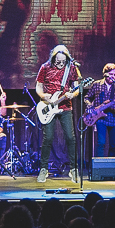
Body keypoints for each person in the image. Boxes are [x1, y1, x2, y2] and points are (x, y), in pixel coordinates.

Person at [33, 44, 84, 184]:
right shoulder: (45, 67)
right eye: (58, 61)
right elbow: (38, 86)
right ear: (53, 58)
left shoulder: (72, 68)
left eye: (63, 61)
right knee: (48, 138)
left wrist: (73, 94)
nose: (60, 64)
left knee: (71, 138)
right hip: (49, 105)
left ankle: (73, 169)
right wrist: (43, 96)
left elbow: (76, 88)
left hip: (65, 106)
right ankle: (43, 169)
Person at [85, 63, 115, 159]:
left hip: (114, 117)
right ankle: (100, 168)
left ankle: (110, 168)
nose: (113, 77)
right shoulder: (97, 85)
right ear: (105, 74)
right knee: (101, 143)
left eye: (114, 75)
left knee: (113, 145)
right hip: (100, 117)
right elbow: (87, 97)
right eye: (111, 74)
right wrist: (90, 107)